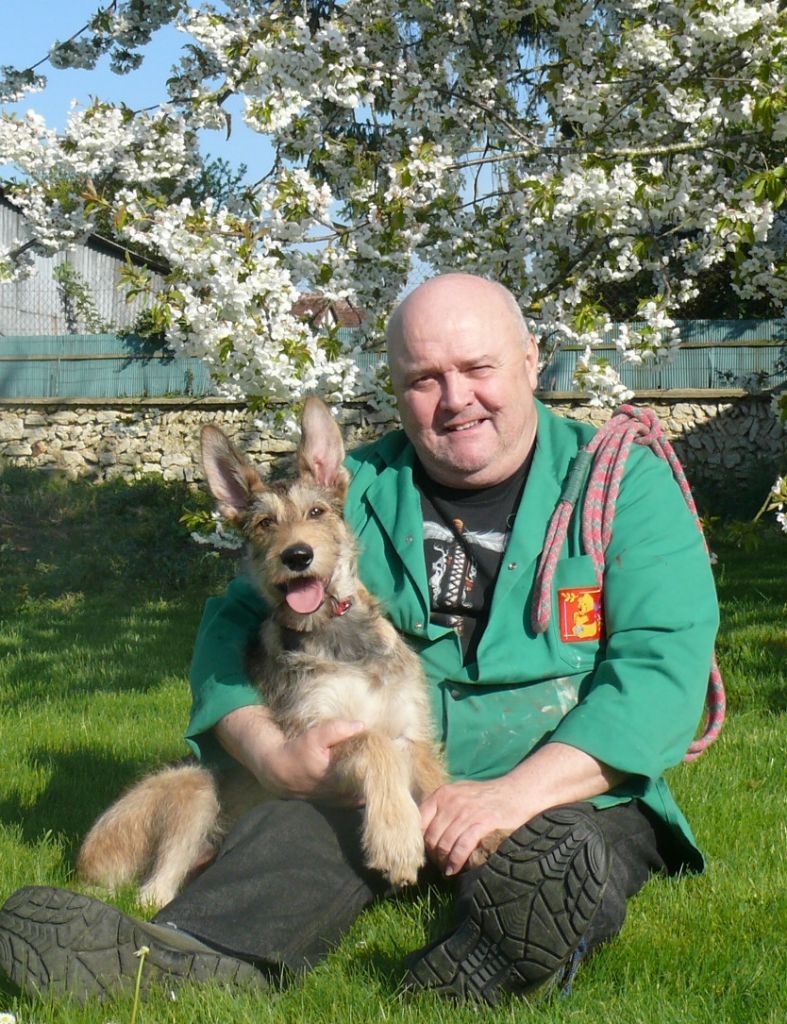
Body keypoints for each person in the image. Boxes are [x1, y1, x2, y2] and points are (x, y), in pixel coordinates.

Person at [0, 273, 719, 1005]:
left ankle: (485, 952)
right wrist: (267, 753)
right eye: (423, 379)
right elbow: (230, 628)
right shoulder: (358, 487)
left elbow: (661, 668)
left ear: (531, 359)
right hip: (375, 786)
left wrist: (507, 797)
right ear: (395, 388)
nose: (454, 398)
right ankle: (182, 959)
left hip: (562, 784)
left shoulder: (618, 478)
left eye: (476, 369)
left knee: (569, 850)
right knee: (290, 831)